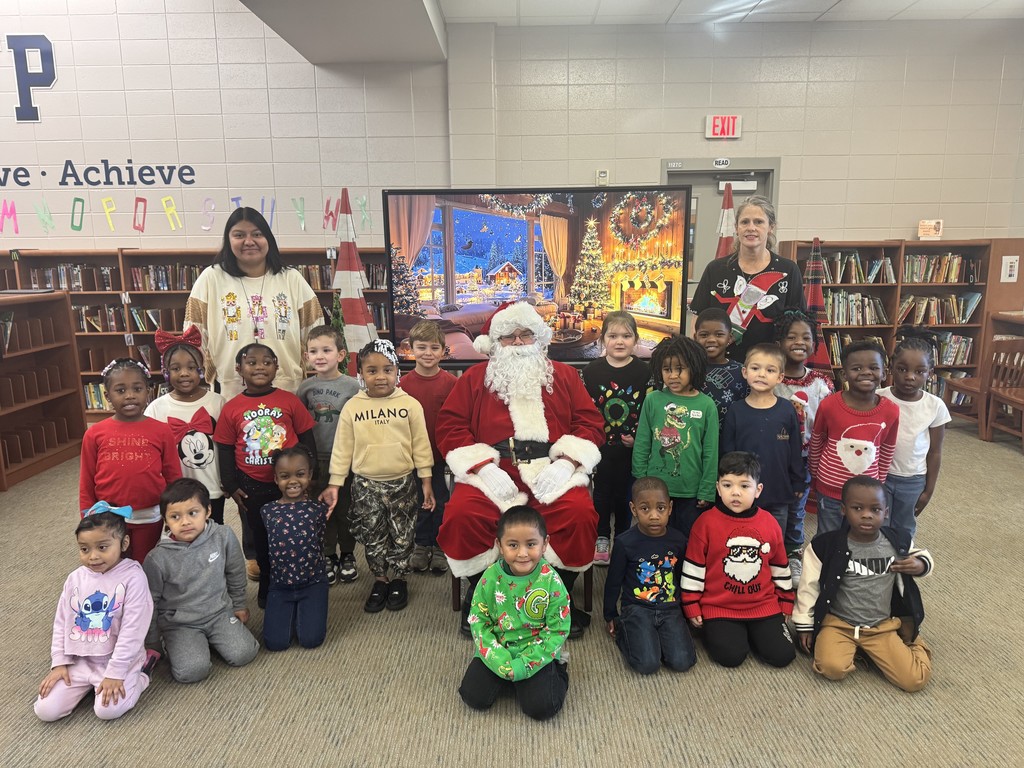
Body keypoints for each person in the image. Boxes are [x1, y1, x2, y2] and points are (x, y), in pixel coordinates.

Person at [433, 301, 604, 638]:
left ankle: (557, 594)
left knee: (578, 513)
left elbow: (589, 423)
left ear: (539, 339)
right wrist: (481, 467)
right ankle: (481, 595)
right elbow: (450, 426)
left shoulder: (565, 376)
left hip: (550, 467)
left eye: (525, 335)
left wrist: (568, 462)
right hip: (492, 469)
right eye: (508, 337)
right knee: (463, 514)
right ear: (495, 343)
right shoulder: (474, 379)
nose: (517, 343)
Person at [323, 339, 434, 614]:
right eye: (372, 371)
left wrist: (426, 480)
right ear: (361, 373)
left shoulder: (410, 405)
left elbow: (421, 445)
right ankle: (380, 579)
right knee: (373, 535)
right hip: (365, 484)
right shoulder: (352, 407)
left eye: (387, 370)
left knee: (402, 534)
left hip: (403, 482)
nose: (380, 376)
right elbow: (342, 448)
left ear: (397, 371)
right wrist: (335, 483)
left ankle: (399, 578)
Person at [793, 476, 933, 692]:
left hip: (880, 626)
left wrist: (920, 564)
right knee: (831, 668)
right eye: (857, 508)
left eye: (875, 509)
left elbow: (921, 555)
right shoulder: (825, 545)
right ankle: (858, 649)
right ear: (843, 510)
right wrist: (805, 624)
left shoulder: (896, 541)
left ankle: (914, 642)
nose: (867, 515)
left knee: (914, 679)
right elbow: (808, 587)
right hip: (839, 624)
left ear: (886, 512)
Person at [213, 343, 317, 608]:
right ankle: (267, 583)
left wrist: (310, 475)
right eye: (252, 362)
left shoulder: (289, 400)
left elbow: (307, 438)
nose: (259, 367)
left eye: (267, 362)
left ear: (276, 367)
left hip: (289, 483)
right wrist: (231, 484)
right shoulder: (232, 407)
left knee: (292, 534)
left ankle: (296, 581)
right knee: (260, 536)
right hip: (251, 484)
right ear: (239, 369)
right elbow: (224, 447)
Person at [185, 207, 323, 400]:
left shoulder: (291, 278)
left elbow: (316, 334)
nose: (249, 241)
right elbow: (193, 337)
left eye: (257, 234)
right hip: (230, 391)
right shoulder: (211, 278)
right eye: (239, 235)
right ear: (228, 240)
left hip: (287, 389)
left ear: (268, 239)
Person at [35, 505, 154, 721]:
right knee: (45, 710)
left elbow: (133, 630)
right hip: (79, 660)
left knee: (107, 711)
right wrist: (59, 662)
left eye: (102, 547)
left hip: (118, 661)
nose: (93, 556)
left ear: (124, 543)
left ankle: (142, 674)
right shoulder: (75, 578)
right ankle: (90, 685)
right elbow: (62, 622)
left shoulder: (134, 577)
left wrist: (116, 672)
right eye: (84, 549)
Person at [681, 452, 796, 669]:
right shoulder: (705, 523)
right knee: (730, 657)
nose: (735, 492)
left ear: (758, 490)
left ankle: (756, 633)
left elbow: (780, 566)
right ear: (718, 488)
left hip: (763, 605)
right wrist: (692, 605)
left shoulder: (769, 522)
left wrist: (786, 600)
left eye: (744, 486)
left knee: (783, 656)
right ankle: (736, 634)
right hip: (719, 606)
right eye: (727, 485)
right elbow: (694, 568)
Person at [459, 506, 570, 721]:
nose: (522, 553)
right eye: (513, 545)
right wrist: (499, 660)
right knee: (473, 696)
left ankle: (558, 670)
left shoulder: (552, 582)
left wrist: (524, 665)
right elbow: (478, 621)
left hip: (535, 650)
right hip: (498, 647)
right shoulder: (490, 578)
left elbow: (557, 631)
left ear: (545, 544)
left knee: (542, 708)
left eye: (531, 544)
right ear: (499, 546)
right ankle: (513, 678)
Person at [142, 478, 259, 683]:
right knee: (192, 671)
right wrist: (152, 642)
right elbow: (150, 602)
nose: (185, 522)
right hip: (180, 624)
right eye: (175, 516)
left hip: (219, 613)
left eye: (193, 513)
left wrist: (239, 605)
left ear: (208, 511)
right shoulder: (156, 559)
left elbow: (236, 572)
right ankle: (186, 644)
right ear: (165, 520)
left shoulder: (223, 535)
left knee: (244, 653)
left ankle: (209, 641)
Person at [79, 358, 182, 564]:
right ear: (107, 396)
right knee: (113, 564)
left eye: (137, 389)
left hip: (149, 517)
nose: (130, 395)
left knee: (146, 563)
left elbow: (174, 477)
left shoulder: (161, 431)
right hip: (108, 518)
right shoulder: (94, 434)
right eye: (120, 390)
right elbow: (87, 481)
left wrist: (176, 512)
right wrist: (87, 518)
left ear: (148, 391)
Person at [689, 196, 806, 362]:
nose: (751, 228)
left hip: (768, 367)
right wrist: (696, 359)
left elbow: (798, 323)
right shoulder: (716, 269)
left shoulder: (788, 270)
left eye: (758, 222)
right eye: (745, 222)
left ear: (771, 227)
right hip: (719, 364)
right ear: (736, 228)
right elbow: (698, 319)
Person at [604, 477, 696, 675]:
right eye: (645, 509)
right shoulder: (624, 542)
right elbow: (613, 581)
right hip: (637, 608)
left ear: (670, 508)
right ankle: (625, 631)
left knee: (682, 662)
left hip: (670, 608)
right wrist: (610, 614)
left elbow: (683, 577)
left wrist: (687, 610)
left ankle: (657, 638)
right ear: (633, 509)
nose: (654, 516)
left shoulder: (679, 540)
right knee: (647, 665)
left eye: (660, 508)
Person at [720, 343, 805, 557]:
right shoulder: (736, 411)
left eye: (770, 370)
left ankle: (775, 570)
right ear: (745, 372)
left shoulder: (787, 410)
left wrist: (798, 480)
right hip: (743, 491)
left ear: (780, 377)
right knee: (742, 540)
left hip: (778, 490)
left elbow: (795, 449)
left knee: (774, 542)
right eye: (755, 368)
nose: (761, 374)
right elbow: (727, 453)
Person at [582, 310, 651, 565]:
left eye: (626, 336)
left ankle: (622, 537)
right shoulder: (591, 371)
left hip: (632, 448)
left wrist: (639, 438)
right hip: (601, 448)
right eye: (612, 336)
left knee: (625, 493)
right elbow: (586, 409)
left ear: (636, 339)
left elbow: (650, 410)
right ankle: (602, 536)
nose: (619, 341)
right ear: (603, 340)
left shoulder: (645, 372)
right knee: (601, 492)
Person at [809, 340, 900, 533]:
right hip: (830, 488)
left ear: (884, 373)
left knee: (860, 537)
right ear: (844, 374)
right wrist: (815, 477)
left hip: (867, 493)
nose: (866, 372)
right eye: (857, 368)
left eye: (873, 368)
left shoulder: (891, 411)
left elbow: (886, 451)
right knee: (827, 536)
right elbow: (817, 442)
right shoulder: (829, 405)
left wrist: (879, 485)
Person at [632, 334, 718, 537]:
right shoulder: (653, 400)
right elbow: (642, 442)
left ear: (694, 368)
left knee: (687, 540)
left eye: (680, 369)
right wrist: (640, 480)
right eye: (667, 369)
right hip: (655, 489)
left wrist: (707, 489)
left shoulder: (706, 405)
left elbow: (711, 451)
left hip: (691, 491)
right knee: (654, 537)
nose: (672, 376)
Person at [296, 325, 360, 585]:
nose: (319, 356)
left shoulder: (352, 386)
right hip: (316, 460)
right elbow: (300, 426)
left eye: (326, 350)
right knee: (321, 510)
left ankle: (348, 554)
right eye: (313, 351)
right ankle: (328, 554)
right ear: (306, 356)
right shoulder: (305, 388)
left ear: (340, 354)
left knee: (346, 509)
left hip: (345, 460)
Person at [774, 310, 835, 579]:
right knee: (774, 506)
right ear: (779, 342)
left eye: (806, 337)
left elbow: (828, 422)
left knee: (797, 507)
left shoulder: (820, 383)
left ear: (814, 343)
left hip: (805, 457)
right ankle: (773, 551)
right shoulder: (770, 378)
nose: (799, 342)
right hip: (774, 456)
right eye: (791, 337)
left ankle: (794, 552)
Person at [145, 327, 227, 526]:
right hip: (175, 491)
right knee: (181, 532)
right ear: (166, 372)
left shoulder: (217, 402)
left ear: (201, 369)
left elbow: (227, 447)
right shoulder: (156, 408)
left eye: (191, 367)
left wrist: (228, 480)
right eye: (176, 368)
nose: (184, 373)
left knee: (214, 529)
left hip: (212, 486)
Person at [878, 328, 950, 537]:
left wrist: (929, 490)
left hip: (913, 479)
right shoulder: (878, 398)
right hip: (880, 475)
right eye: (902, 369)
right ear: (891, 366)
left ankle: (902, 557)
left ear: (930, 372)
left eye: (919, 372)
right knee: (878, 524)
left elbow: (935, 451)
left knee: (904, 527)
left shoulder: (935, 406)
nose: (909, 377)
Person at [400, 320, 458, 575]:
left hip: (441, 456)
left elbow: (456, 421)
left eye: (434, 348)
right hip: (413, 458)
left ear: (443, 351)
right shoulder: (402, 386)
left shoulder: (452, 384)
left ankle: (440, 546)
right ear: (411, 348)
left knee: (442, 501)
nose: (428, 353)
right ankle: (422, 544)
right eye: (421, 347)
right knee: (419, 502)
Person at [261, 447, 329, 651]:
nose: (293, 481)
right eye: (285, 476)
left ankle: (306, 611)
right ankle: (288, 613)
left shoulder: (318, 509)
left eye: (300, 474)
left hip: (312, 583)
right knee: (275, 644)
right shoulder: (267, 511)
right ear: (276, 479)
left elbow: (320, 541)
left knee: (311, 640)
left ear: (309, 475)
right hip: (280, 585)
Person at [694, 307, 749, 425]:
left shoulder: (742, 372)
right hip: (693, 434)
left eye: (719, 335)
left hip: (729, 434)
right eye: (704, 335)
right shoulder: (689, 368)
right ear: (695, 337)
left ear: (729, 338)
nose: (711, 340)